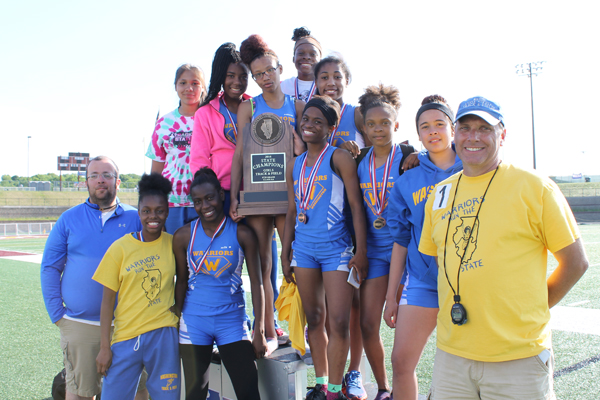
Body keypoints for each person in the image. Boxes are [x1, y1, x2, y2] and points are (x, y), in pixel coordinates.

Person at [418, 96, 588, 399]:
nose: (473, 137)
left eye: (485, 128)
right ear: (455, 134)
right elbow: (438, 260)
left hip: (518, 357)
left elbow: (575, 262)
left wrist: (534, 306)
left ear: (502, 135)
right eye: (466, 128)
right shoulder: (440, 194)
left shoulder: (535, 186)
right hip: (452, 355)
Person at [189, 43, 285, 344]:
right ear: (221, 76)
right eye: (230, 75)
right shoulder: (206, 113)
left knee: (264, 261)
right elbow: (198, 160)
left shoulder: (255, 104)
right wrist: (211, 201)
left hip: (258, 191)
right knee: (226, 262)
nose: (236, 82)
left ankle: (269, 324)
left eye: (243, 76)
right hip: (223, 196)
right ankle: (234, 324)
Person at [281, 96, 369, 400]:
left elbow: (357, 208)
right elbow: (292, 212)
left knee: (339, 321)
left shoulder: (338, 158)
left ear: (331, 128)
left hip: (337, 250)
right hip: (304, 250)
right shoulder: (294, 164)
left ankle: (334, 390)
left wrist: (361, 251)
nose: (309, 126)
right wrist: (285, 251)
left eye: (318, 121)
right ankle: (320, 383)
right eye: (306, 120)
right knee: (314, 319)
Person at [40, 156, 148, 400]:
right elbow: (49, 267)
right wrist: (58, 314)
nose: (101, 180)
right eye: (94, 175)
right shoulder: (69, 218)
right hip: (81, 325)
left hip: (127, 325)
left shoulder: (135, 218)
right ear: (86, 182)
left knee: (136, 391)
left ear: (118, 182)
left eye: (107, 175)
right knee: (80, 392)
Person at [230, 34, 305, 355]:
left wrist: (298, 146)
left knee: (291, 263)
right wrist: (234, 196)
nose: (265, 78)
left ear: (280, 68)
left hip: (289, 196)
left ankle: (299, 332)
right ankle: (263, 331)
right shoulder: (249, 106)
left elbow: (305, 153)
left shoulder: (297, 105)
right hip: (258, 196)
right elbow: (238, 155)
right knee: (261, 265)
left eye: (270, 71)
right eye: (258, 74)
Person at [384, 95, 462, 400]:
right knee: (401, 361)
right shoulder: (407, 181)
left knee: (463, 365)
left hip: (468, 281)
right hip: (423, 282)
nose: (433, 131)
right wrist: (392, 296)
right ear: (417, 134)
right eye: (425, 126)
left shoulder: (474, 170)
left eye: (440, 124)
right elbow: (401, 242)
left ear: (453, 129)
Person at [343, 84, 418, 400]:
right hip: (373, 253)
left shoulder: (408, 157)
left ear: (396, 125)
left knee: (408, 326)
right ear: (363, 127)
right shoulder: (358, 161)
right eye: (371, 124)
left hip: (406, 252)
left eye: (384, 123)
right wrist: (359, 249)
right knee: (369, 323)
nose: (378, 129)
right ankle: (384, 389)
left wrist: (419, 155)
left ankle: (409, 386)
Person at [173, 167, 266, 400]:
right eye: (197, 201)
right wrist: (174, 321)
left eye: (209, 198)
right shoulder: (184, 236)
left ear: (221, 196)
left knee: (248, 394)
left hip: (231, 322)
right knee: (195, 394)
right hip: (194, 323)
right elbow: (181, 282)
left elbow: (257, 283)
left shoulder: (242, 234)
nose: (205, 206)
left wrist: (259, 331)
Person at [94, 173, 180, 400]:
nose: (153, 216)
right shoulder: (120, 248)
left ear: (167, 212)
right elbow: (106, 301)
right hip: (125, 338)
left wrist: (178, 310)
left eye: (159, 211)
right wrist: (105, 346)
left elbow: (186, 282)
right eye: (146, 211)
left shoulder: (174, 244)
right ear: (138, 212)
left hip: (164, 336)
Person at [146, 64, 207, 233]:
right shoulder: (164, 123)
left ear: (203, 87)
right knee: (174, 255)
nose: (189, 88)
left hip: (204, 201)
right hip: (172, 202)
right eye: (183, 83)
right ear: (175, 86)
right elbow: (156, 171)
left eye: (195, 83)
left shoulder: (210, 118)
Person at [313, 54, 370, 157]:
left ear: (346, 81)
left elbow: (375, 155)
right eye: (324, 77)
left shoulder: (357, 114)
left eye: (337, 77)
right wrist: (339, 150)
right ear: (316, 82)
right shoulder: (310, 118)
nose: (331, 83)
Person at [281, 27, 322, 102]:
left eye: (312, 54)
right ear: (293, 59)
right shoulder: (283, 87)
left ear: (320, 61)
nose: (306, 57)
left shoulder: (325, 86)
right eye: (301, 53)